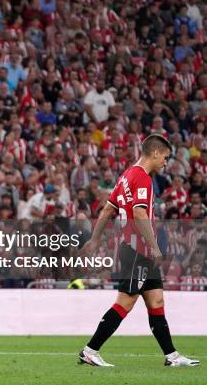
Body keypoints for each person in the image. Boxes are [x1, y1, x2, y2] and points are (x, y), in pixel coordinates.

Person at [79, 135, 200, 367]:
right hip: (138, 251)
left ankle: (171, 356)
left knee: (156, 301)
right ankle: (90, 350)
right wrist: (155, 248)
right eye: (165, 158)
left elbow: (106, 210)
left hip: (134, 249)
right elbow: (140, 213)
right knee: (126, 301)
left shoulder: (126, 176)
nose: (165, 162)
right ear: (155, 153)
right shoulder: (142, 178)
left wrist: (95, 240)